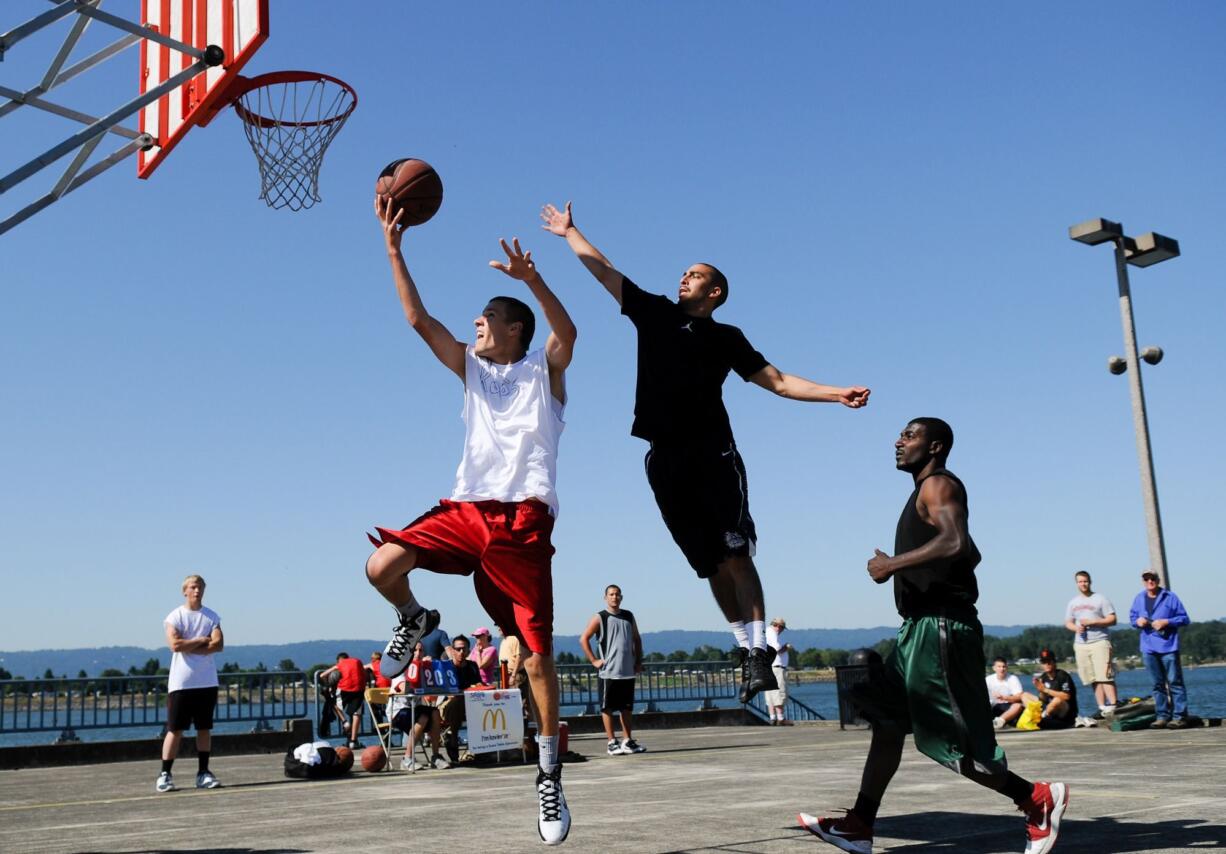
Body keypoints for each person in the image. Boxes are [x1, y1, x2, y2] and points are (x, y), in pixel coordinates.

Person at [542, 201, 870, 703]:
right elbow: (605, 271)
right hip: (663, 458)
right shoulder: (653, 314)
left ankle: (761, 651)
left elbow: (778, 382)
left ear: (714, 292)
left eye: (694, 275)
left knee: (735, 551)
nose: (683, 278)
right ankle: (744, 650)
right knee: (709, 563)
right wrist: (570, 232)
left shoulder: (726, 337)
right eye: (683, 273)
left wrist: (835, 393)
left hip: (713, 452)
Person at [365, 198, 578, 844]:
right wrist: (394, 247)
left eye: (485, 321)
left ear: (513, 330)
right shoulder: (471, 373)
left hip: (523, 525)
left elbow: (567, 335)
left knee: (538, 662)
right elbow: (414, 317)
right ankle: (412, 616)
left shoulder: (544, 373)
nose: (475, 327)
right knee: (381, 565)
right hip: (466, 509)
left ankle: (547, 772)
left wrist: (533, 281)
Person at [798, 419, 1067, 854]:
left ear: (935, 446)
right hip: (918, 629)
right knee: (887, 723)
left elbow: (957, 542)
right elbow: (972, 551)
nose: (898, 442)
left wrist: (893, 565)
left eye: (909, 435)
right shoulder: (924, 491)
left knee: (951, 742)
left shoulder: (938, 485)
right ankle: (859, 824)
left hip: (940, 627)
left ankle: (1035, 799)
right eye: (900, 436)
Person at [157, 574, 224, 793]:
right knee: (175, 729)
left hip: (206, 682)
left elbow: (218, 644)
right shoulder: (175, 616)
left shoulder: (211, 616)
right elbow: (175, 644)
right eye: (193, 587)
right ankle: (165, 774)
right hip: (181, 683)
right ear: (185, 590)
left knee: (204, 728)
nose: (197, 591)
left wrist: (191, 645)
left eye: (201, 587)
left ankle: (203, 772)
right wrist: (201, 640)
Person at [579, 584, 646, 755]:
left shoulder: (628, 616)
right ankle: (611, 742)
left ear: (621, 597)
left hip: (627, 671)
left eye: (617, 594)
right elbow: (584, 639)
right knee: (607, 708)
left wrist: (638, 661)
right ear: (605, 598)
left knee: (627, 708)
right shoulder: (600, 617)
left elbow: (637, 640)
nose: (614, 597)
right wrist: (594, 660)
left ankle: (627, 740)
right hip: (608, 671)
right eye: (611, 594)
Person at [1129, 570, 1191, 729]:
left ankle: (1180, 716)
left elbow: (1184, 619)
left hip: (1168, 647)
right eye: (1146, 579)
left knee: (1175, 683)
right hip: (1148, 648)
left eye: (1153, 578)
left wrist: (1166, 622)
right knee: (1157, 684)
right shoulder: (1139, 598)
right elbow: (1132, 618)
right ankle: (1162, 716)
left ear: (1158, 579)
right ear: (1143, 581)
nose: (1150, 581)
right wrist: (1138, 622)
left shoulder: (1170, 597)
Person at [1063, 571, 1118, 717]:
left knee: (1105, 676)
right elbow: (1068, 622)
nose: (1083, 584)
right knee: (1092, 677)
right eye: (1080, 581)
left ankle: (1113, 706)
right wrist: (1076, 628)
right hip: (1081, 644)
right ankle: (1101, 707)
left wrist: (1094, 622)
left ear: (1090, 582)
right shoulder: (1073, 602)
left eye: (1085, 581)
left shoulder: (1100, 599)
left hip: (1099, 641)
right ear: (1076, 583)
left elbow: (1112, 619)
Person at [317, 652, 368, 748]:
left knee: (334, 704)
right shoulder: (358, 661)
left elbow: (322, 675)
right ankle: (353, 741)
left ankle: (344, 721)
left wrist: (328, 683)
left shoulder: (340, 664)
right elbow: (364, 673)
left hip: (345, 688)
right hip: (359, 688)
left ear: (339, 660)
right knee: (357, 713)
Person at [985, 657, 1038, 729]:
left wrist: (1004, 698)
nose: (1002, 669)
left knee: (1018, 705)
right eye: (999, 667)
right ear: (994, 668)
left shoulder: (1013, 678)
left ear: (1006, 667)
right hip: (993, 706)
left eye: (1004, 666)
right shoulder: (988, 679)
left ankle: (998, 722)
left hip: (1009, 706)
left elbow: (1019, 696)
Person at [1032, 649, 1078, 730]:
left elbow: (1066, 696)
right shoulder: (1043, 677)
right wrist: (1041, 690)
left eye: (1049, 661)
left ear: (1054, 662)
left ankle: (1042, 718)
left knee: (1057, 700)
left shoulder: (1063, 675)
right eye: (1044, 662)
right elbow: (1043, 699)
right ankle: (1040, 717)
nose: (1047, 664)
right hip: (1051, 710)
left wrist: (1046, 690)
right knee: (1025, 696)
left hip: (1066, 712)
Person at [764, 618, 794, 725]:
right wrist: (786, 647)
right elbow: (777, 649)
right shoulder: (773, 634)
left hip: (768, 667)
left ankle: (773, 718)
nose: (781, 631)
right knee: (779, 692)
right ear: (778, 626)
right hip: (777, 668)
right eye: (782, 628)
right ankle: (781, 718)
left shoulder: (766, 633)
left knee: (770, 694)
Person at [367, 651, 393, 724]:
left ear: (374, 658)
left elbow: (365, 667)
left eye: (372, 658)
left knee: (374, 704)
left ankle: (381, 721)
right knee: (388, 704)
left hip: (380, 687)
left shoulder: (373, 664)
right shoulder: (385, 664)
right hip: (389, 687)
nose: (371, 659)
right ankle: (390, 720)